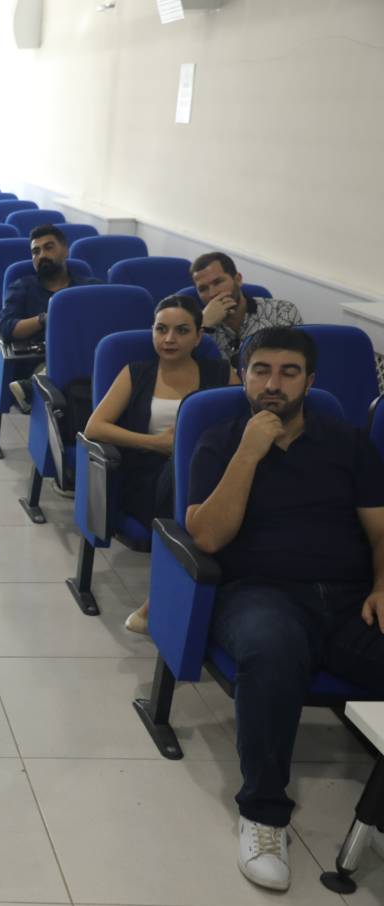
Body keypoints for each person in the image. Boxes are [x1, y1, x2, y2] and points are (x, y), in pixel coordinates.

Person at [184, 327, 384, 892]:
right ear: (243, 378)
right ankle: (263, 816)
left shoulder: (348, 443)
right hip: (259, 592)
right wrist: (249, 453)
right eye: (261, 371)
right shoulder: (219, 442)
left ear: (310, 381)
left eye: (288, 372)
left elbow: (380, 532)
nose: (273, 384)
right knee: (271, 652)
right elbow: (209, 536)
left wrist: (382, 584)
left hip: (349, 598)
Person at [82, 294, 237, 634]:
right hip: (148, 479)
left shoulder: (220, 373)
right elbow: (95, 427)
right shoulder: (136, 373)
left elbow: (244, 422)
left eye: (181, 331)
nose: (169, 339)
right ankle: (162, 597)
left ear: (199, 336)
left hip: (210, 476)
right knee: (183, 476)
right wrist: (155, 443)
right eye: (161, 329)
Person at [0, 224, 103, 414]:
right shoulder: (22, 287)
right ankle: (38, 382)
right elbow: (7, 328)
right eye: (35, 252)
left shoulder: (90, 288)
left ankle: (34, 387)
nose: (42, 256)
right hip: (39, 358)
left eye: (49, 248)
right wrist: (44, 319)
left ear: (65, 251)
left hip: (89, 357)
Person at [191, 251, 303, 363]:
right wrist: (203, 325)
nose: (212, 293)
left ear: (238, 280)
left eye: (218, 282)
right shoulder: (192, 326)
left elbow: (295, 362)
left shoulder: (282, 311)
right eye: (203, 289)